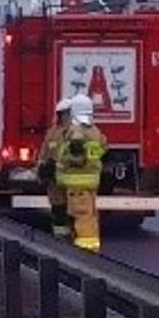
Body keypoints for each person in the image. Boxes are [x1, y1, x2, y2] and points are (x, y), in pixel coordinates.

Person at [56, 95, 107, 251]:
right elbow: (102, 148)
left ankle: (86, 253)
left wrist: (66, 160)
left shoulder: (76, 131)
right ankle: (89, 247)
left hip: (77, 185)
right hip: (90, 183)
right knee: (89, 216)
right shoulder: (95, 131)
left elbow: (76, 158)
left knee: (82, 217)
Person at [38, 98, 73, 239]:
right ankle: (61, 236)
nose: (64, 117)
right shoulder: (52, 132)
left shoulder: (72, 132)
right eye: (62, 114)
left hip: (68, 179)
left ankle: (66, 234)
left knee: (68, 209)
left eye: (66, 114)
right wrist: (42, 169)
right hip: (57, 180)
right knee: (59, 210)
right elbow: (44, 154)